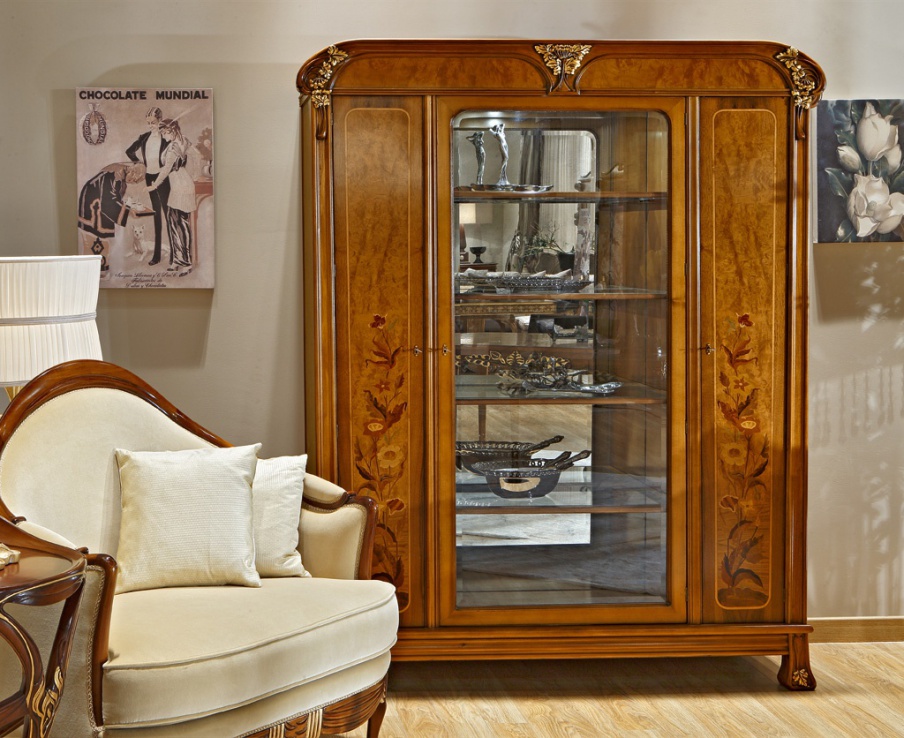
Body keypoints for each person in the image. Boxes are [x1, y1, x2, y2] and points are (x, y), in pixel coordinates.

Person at [77, 162, 149, 273]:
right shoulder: (116, 175)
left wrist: (126, 207)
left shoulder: (121, 173)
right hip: (93, 207)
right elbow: (109, 201)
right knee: (95, 239)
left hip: (97, 204)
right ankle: (93, 272)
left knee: (101, 240)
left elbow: (113, 196)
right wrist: (128, 212)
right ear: (132, 172)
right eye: (135, 180)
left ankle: (98, 270)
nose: (133, 183)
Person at [148, 118, 196, 275]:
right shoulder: (184, 142)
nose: (163, 136)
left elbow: (166, 169)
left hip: (180, 186)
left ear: (172, 131)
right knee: (177, 222)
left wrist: (154, 185)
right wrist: (193, 177)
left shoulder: (173, 148)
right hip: (184, 184)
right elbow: (196, 159)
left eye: (164, 132)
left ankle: (185, 262)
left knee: (179, 223)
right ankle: (178, 260)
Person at [126, 107, 170, 266]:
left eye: (153, 122)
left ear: (160, 121)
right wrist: (140, 165)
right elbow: (129, 151)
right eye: (148, 123)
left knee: (168, 215)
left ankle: (175, 255)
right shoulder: (144, 137)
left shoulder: (166, 137)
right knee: (157, 216)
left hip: (164, 178)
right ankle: (156, 255)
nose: (151, 125)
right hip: (150, 177)